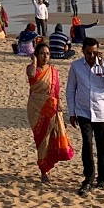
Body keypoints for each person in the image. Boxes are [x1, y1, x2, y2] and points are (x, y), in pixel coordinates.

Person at [66, 39, 104, 194]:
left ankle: (103, 179)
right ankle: (88, 178)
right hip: (83, 111)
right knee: (87, 146)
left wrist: (103, 65)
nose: (91, 56)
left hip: (102, 111)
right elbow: (70, 90)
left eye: (94, 53)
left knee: (103, 146)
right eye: (88, 52)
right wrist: (72, 112)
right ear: (83, 51)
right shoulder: (76, 66)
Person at [25, 40, 66, 182]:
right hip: (36, 109)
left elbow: (56, 90)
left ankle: (47, 169)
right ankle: (44, 169)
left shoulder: (53, 71)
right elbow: (31, 75)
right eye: (42, 53)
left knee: (51, 138)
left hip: (52, 107)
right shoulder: (32, 68)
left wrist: (59, 104)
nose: (45, 56)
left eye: (47, 54)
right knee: (41, 139)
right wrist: (34, 61)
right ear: (37, 55)